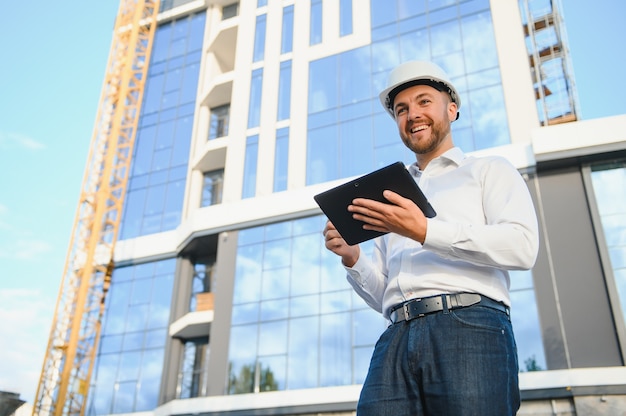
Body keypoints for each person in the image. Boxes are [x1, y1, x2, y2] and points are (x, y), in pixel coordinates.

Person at [322, 60, 539, 415]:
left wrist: (423, 230)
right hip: (395, 335)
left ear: (451, 109)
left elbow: (523, 247)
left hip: (470, 326)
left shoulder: (489, 171)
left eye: (424, 102)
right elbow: (384, 297)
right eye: (401, 109)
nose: (412, 115)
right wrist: (353, 257)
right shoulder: (387, 197)